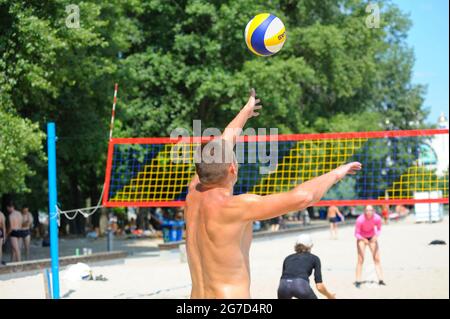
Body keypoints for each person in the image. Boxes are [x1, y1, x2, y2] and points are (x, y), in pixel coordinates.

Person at [184, 88, 362, 298]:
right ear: (233, 167)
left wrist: (246, 110)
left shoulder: (193, 192)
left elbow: (225, 140)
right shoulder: (236, 206)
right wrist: (336, 173)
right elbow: (303, 197)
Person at [278, 234, 335, 299]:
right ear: (310, 246)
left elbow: (284, 277)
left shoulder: (288, 258)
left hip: (283, 285)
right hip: (300, 284)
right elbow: (319, 286)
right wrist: (329, 296)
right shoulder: (314, 258)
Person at [354, 205, 385, 288]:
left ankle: (381, 280)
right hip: (361, 238)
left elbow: (379, 229)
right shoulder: (360, 219)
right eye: (367, 210)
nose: (369, 212)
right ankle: (358, 281)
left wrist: (376, 236)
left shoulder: (377, 218)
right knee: (360, 259)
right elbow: (356, 233)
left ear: (373, 211)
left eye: (370, 210)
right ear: (364, 211)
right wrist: (363, 239)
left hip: (372, 237)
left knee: (377, 258)